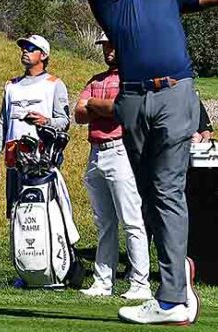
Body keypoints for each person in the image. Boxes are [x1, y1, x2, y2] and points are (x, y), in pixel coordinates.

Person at [77, 0, 218, 325]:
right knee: (151, 198)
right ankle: (177, 271)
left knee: (166, 190)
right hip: (131, 100)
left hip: (175, 94)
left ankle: (173, 299)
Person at [75, 33, 152, 302]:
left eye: (112, 45)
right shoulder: (95, 80)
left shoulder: (133, 78)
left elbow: (120, 111)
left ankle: (140, 282)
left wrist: (95, 104)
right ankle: (103, 281)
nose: (108, 50)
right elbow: (79, 115)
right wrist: (101, 107)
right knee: (104, 223)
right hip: (95, 152)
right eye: (105, 46)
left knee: (132, 220)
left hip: (122, 150)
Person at [0, 35, 70, 217]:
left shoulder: (54, 84)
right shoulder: (11, 85)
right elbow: (3, 122)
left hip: (42, 160)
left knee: (44, 211)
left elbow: (64, 121)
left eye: (31, 48)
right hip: (14, 158)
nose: (25, 51)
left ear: (44, 55)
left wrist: (45, 122)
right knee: (15, 212)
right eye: (24, 48)